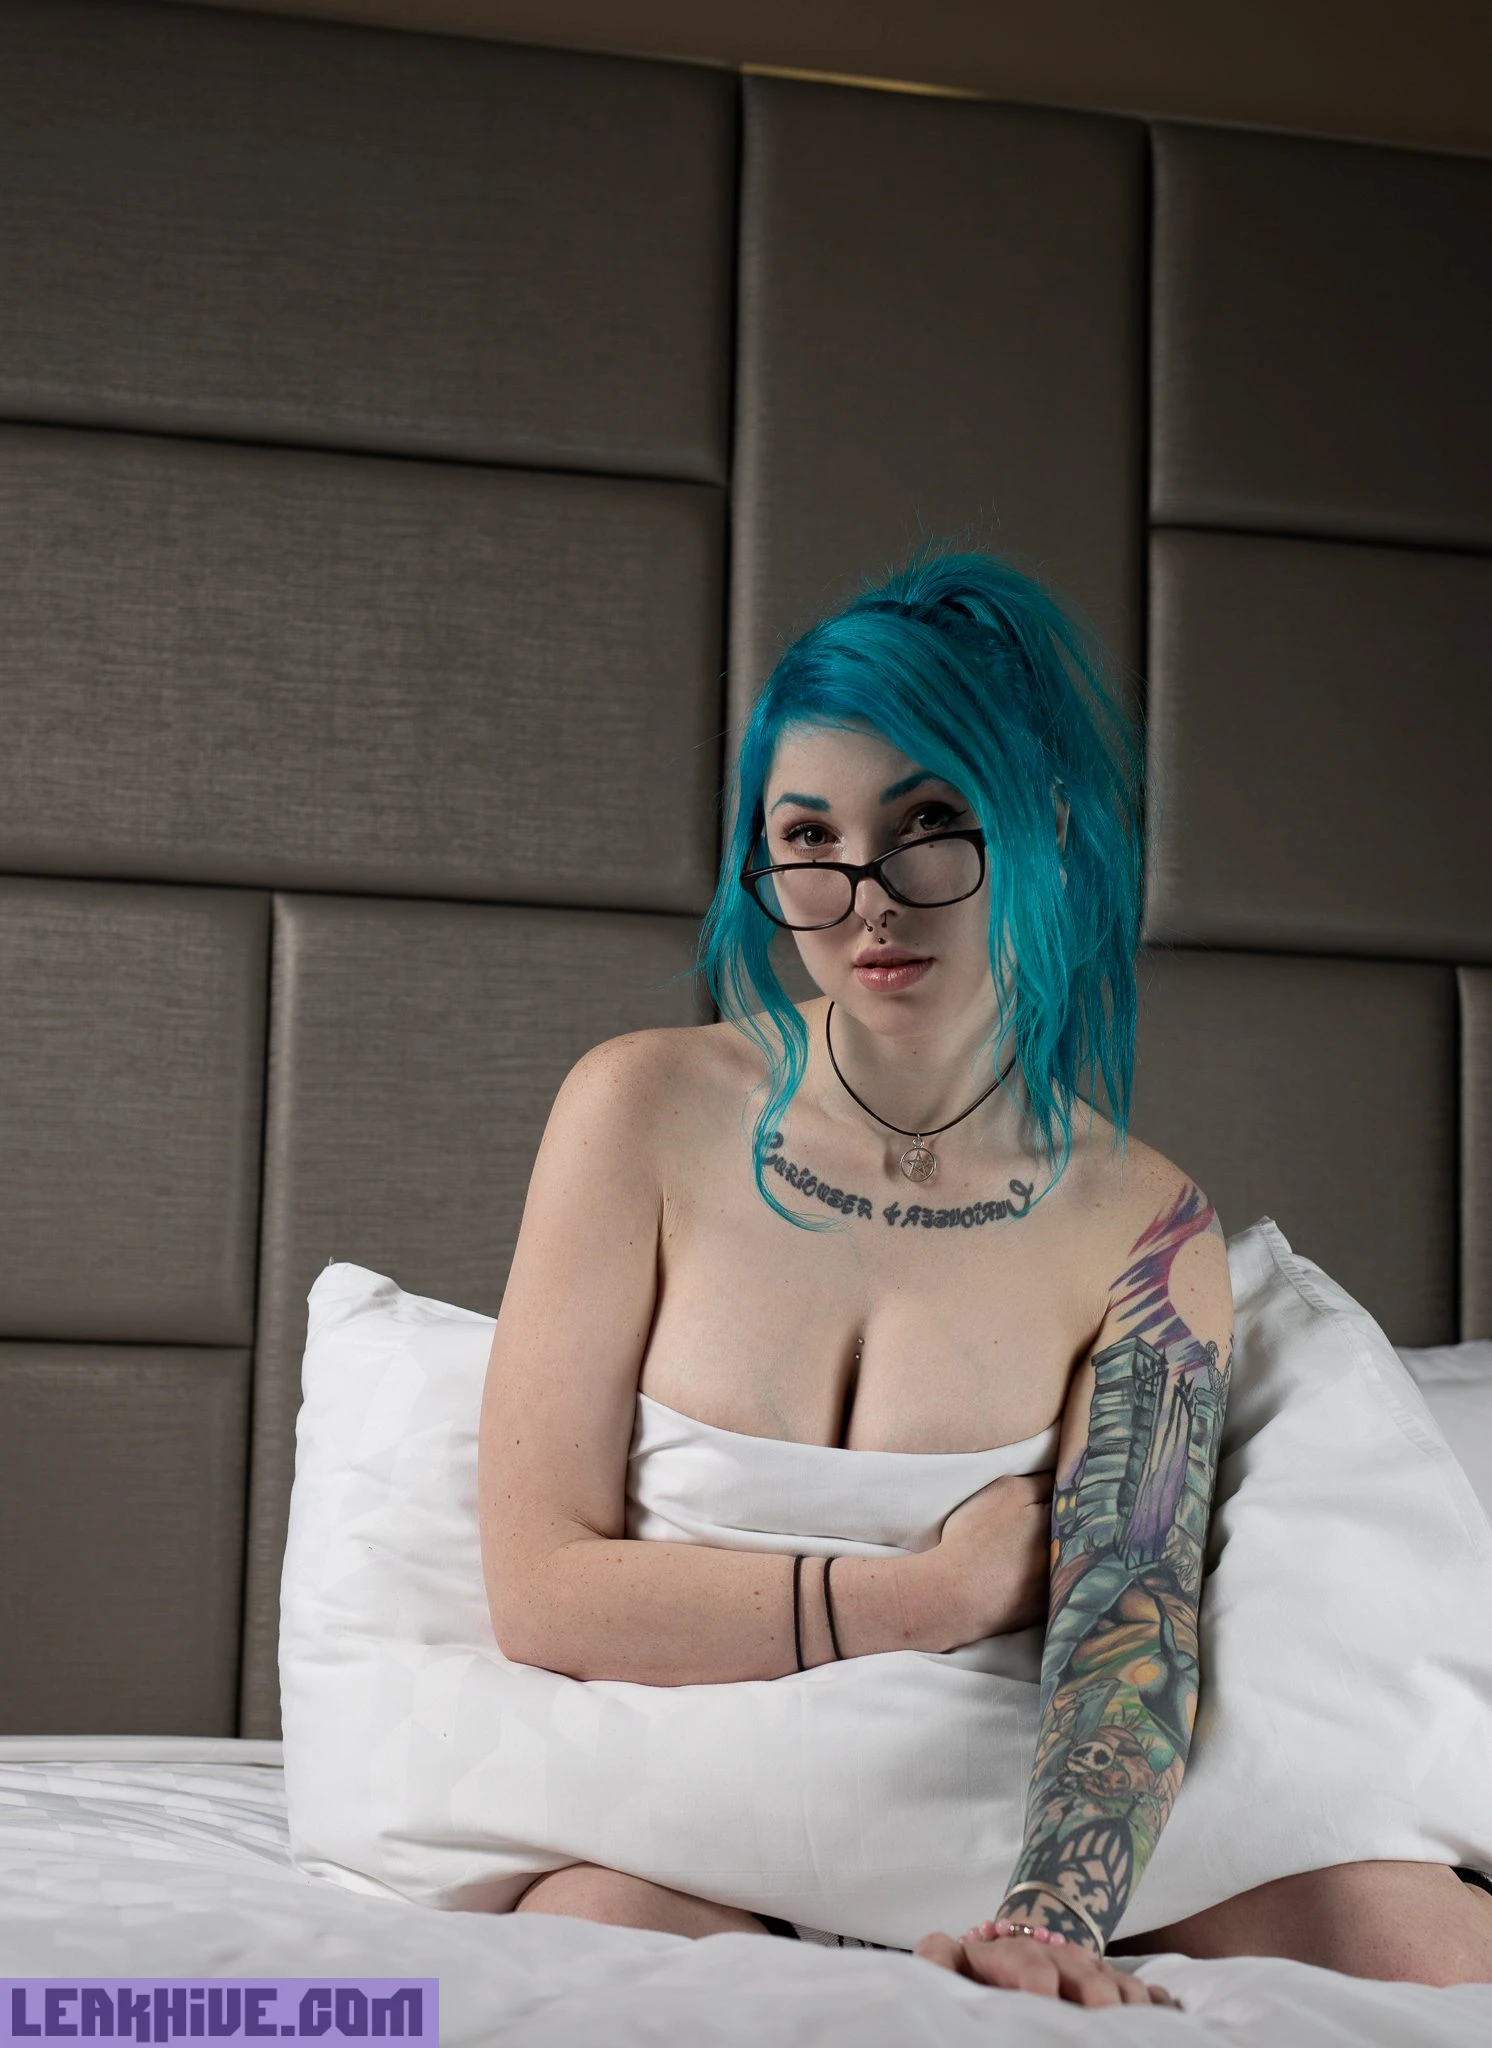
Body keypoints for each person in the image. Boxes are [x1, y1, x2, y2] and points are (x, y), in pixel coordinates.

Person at [476, 550, 1492, 2007]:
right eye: (809, 837)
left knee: (1431, 1949)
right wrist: (928, 1597)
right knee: (591, 1946)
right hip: (690, 1810)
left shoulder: (1145, 1229)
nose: (868, 899)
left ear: (1049, 836)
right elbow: (542, 1590)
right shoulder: (636, 1110)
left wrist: (1048, 1925)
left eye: (930, 825)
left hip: (994, 1810)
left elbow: (1126, 1638)